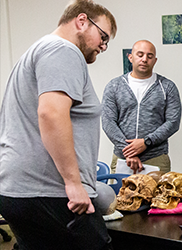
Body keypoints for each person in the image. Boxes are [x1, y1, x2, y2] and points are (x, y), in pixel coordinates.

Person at [0, 0, 117, 249]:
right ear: (82, 21)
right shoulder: (63, 50)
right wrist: (74, 184)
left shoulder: (37, 52)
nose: (104, 46)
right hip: (51, 193)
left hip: (20, 190)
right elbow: (51, 114)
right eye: (103, 36)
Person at [102, 40, 182, 174]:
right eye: (140, 54)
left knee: (158, 196)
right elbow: (108, 122)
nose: (144, 59)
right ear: (130, 57)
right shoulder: (114, 86)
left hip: (155, 159)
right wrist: (129, 151)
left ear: (155, 60)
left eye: (149, 56)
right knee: (120, 195)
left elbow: (173, 122)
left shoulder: (167, 87)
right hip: (123, 158)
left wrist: (146, 142)